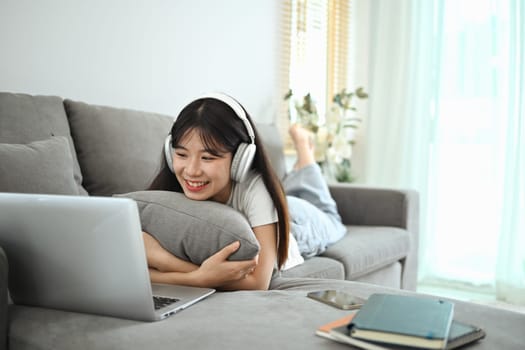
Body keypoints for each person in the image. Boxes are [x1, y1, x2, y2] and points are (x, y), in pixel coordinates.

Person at [143, 93, 346, 291]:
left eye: (208, 158)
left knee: (330, 216)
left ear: (241, 158)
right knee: (292, 192)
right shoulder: (167, 191)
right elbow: (142, 274)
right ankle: (301, 167)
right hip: (272, 208)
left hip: (298, 223)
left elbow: (259, 282)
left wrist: (189, 273)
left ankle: (305, 155)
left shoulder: (257, 188)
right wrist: (197, 275)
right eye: (181, 154)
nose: (191, 170)